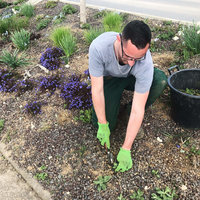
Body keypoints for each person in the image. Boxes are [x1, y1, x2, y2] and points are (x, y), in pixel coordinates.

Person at [88, 20, 167, 172]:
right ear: (119, 40)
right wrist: (102, 124)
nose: (131, 63)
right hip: (109, 79)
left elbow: (139, 109)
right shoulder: (98, 48)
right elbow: (96, 90)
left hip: (130, 79)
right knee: (106, 124)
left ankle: (126, 112)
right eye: (128, 56)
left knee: (159, 80)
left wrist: (126, 148)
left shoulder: (143, 61)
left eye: (137, 58)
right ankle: (107, 119)